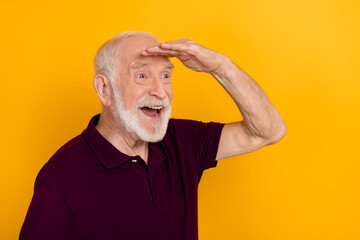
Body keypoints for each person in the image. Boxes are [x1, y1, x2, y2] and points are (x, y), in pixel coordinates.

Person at [20, 31, 286, 240]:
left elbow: (269, 131)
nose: (160, 91)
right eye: (142, 75)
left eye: (166, 75)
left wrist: (221, 67)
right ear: (104, 89)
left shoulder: (181, 140)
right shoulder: (61, 178)